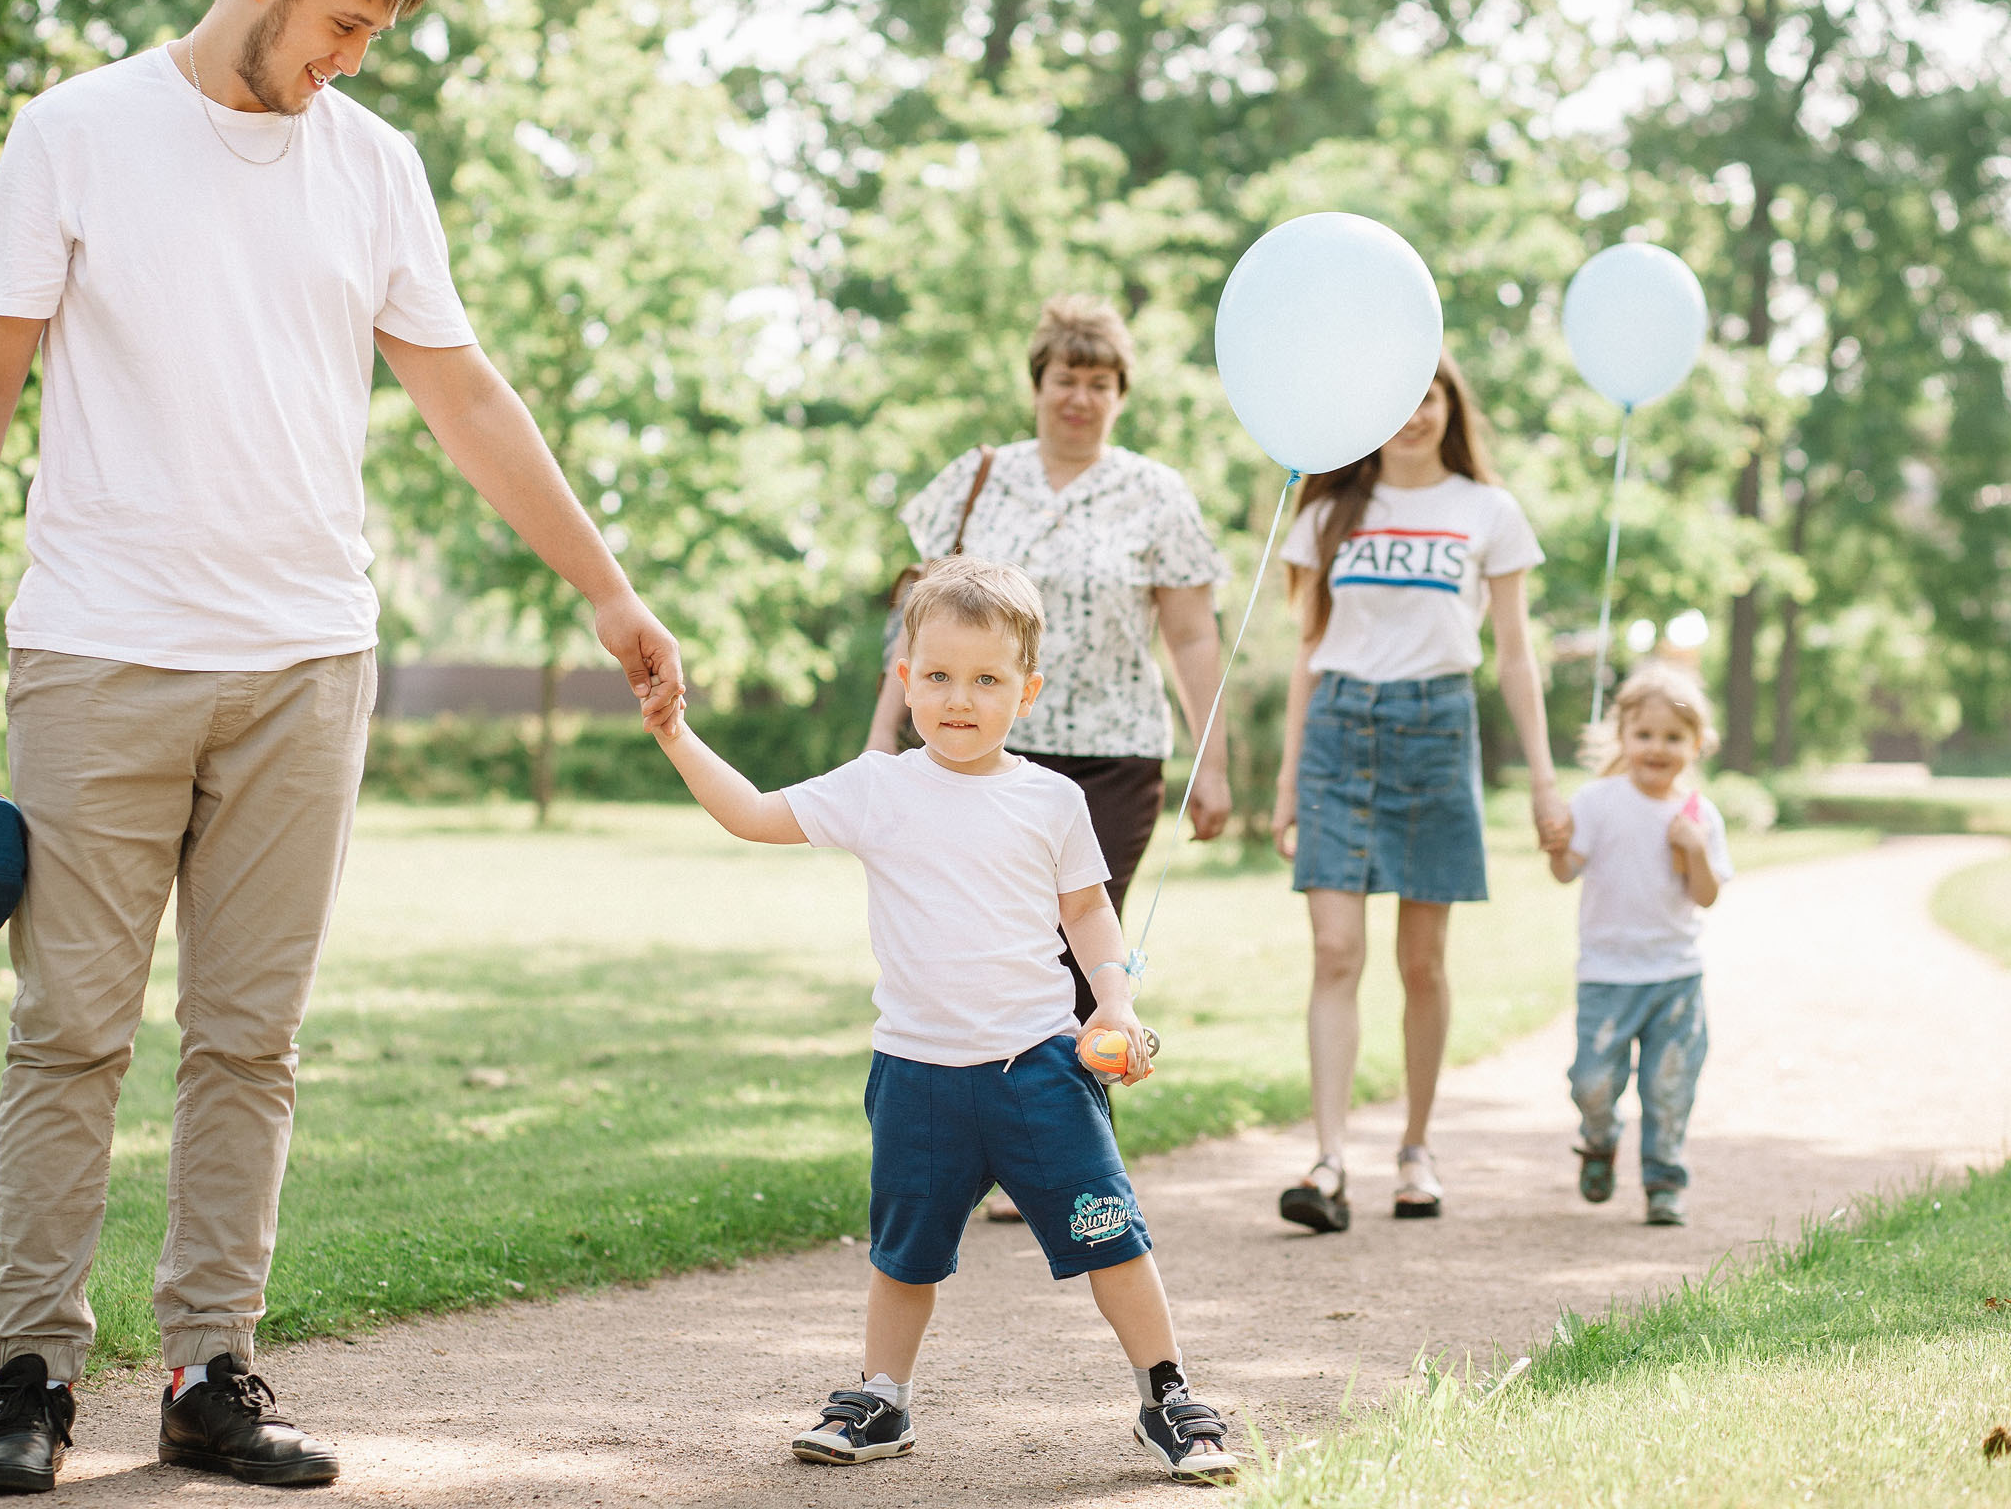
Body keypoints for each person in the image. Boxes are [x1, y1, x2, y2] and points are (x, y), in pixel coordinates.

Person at [0, 0, 683, 1493]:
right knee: (71, 1032)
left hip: (308, 660)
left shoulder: (372, 165)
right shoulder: (79, 131)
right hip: (101, 650)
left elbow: (461, 391)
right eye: (342, 25)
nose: (350, 61)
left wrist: (605, 582)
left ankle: (207, 1373)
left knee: (252, 1041)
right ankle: (33, 1373)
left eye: (371, 37)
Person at [654, 558, 1240, 1486]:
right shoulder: (877, 786)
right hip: (918, 1076)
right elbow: (754, 815)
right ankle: (880, 1397)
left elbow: (1086, 911)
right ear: (904, 681)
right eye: (937, 676)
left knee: (1110, 1235)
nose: (958, 698)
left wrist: (1117, 1001)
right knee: (905, 1255)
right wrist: (678, 733)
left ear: (1027, 692)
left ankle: (1167, 1391)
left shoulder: (1052, 799)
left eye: (985, 680)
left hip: (1042, 1068)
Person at [868, 296, 1230, 1220]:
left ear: (1121, 395)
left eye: (1101, 382)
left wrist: (1212, 759)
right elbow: (918, 625)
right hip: (983, 742)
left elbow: (1191, 636)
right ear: (1039, 383)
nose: (1081, 396)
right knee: (985, 941)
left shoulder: (1157, 494)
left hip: (1114, 753)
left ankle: (1061, 1161)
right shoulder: (978, 479)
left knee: (1077, 948)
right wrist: (883, 739)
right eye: (1066, 377)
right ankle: (992, 1142)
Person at [1268, 352, 1569, 1231]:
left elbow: (1516, 655)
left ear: (1452, 406)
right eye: (1400, 397)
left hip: (1438, 733)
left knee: (1423, 962)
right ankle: (1327, 1163)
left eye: (1432, 394)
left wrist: (1543, 779)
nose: (1417, 412)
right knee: (1334, 953)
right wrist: (1287, 781)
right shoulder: (1326, 512)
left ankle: (1417, 1149)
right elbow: (1305, 652)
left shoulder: (1489, 512)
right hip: (1338, 731)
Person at [1543, 663, 1732, 1228]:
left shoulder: (1699, 815)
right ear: (1622, 737)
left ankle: (1664, 1182)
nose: (1657, 747)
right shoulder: (1597, 802)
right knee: (1592, 1082)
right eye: (1644, 735)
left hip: (1675, 975)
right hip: (1606, 974)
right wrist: (1555, 847)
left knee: (1670, 1086)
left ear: (1696, 744)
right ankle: (1599, 1139)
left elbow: (1706, 897)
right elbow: (1565, 871)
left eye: (1673, 737)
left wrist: (1695, 850)